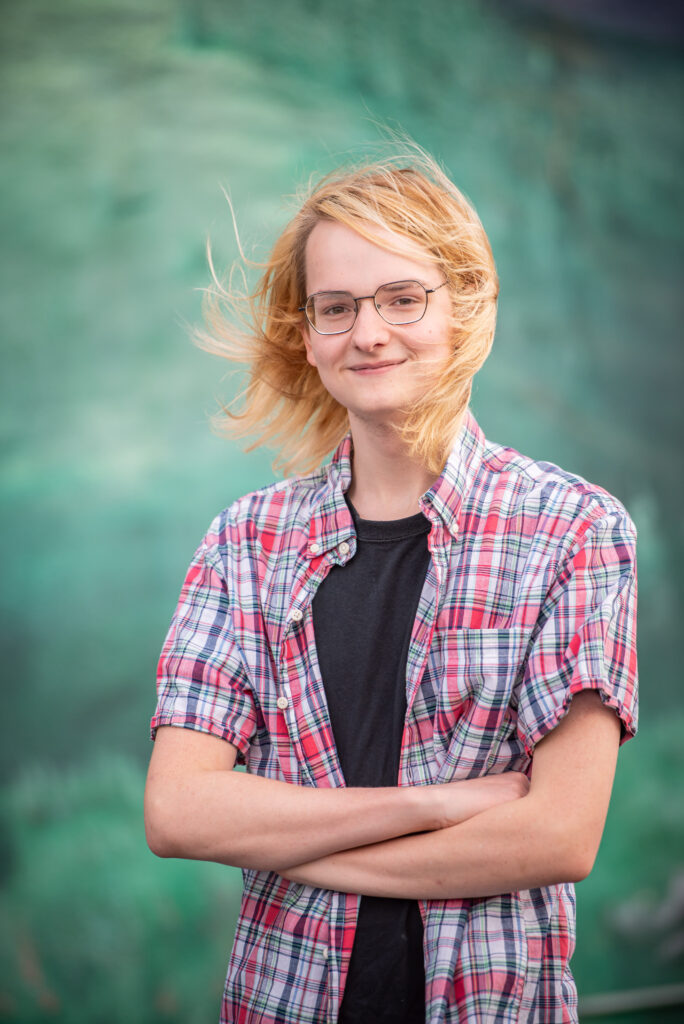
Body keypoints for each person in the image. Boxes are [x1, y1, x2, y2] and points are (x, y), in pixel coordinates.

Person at [144, 146, 638, 1024]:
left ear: (467, 307)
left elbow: (559, 836)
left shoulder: (574, 531)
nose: (367, 333)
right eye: (336, 308)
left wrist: (278, 840)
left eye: (402, 298)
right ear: (309, 334)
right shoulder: (244, 544)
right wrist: (433, 805)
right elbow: (180, 811)